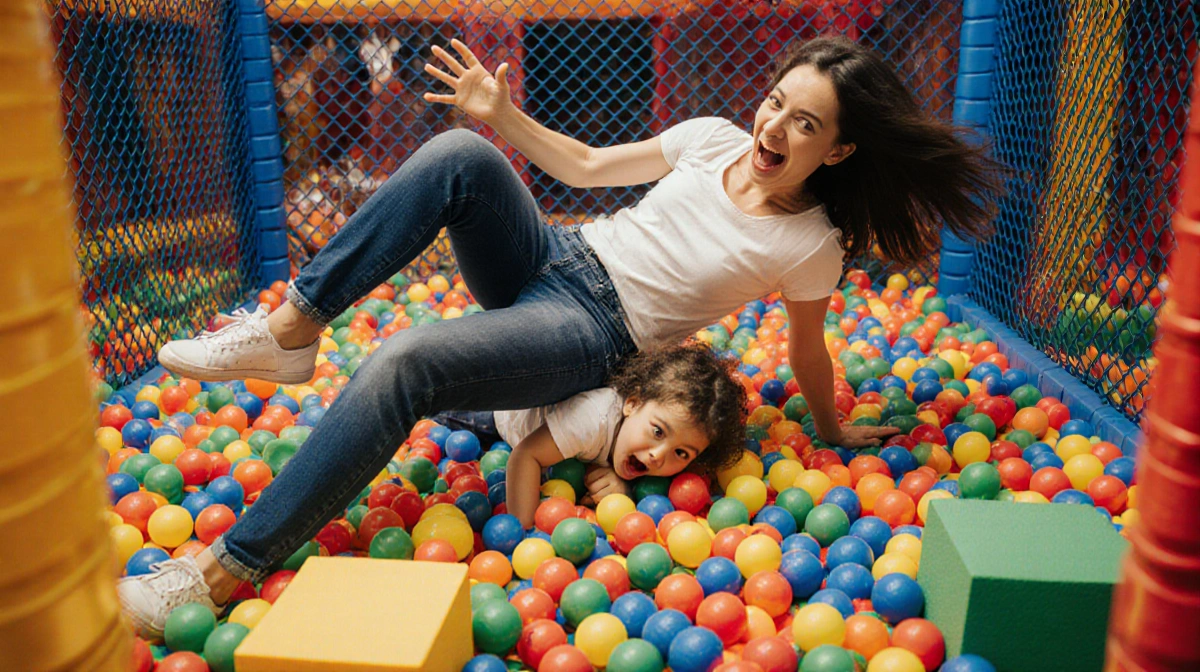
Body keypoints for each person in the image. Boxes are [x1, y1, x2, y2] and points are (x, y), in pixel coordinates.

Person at [120, 36, 1003, 638]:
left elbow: (808, 348)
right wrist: (498, 112)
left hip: (595, 331)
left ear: (838, 151)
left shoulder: (810, 245)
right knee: (462, 157)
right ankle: (291, 328)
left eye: (805, 124)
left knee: (407, 361)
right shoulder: (712, 140)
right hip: (556, 255)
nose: (773, 127)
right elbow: (584, 166)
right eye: (777, 102)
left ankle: (224, 570)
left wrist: (834, 427)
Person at [474, 343, 747, 527]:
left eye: (681, 453)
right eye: (657, 431)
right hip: (497, 412)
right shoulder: (592, 420)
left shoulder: (645, 451)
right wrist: (523, 530)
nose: (657, 455)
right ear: (632, 403)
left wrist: (622, 486)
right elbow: (526, 454)